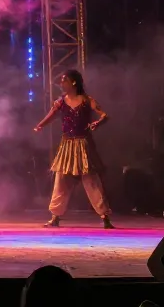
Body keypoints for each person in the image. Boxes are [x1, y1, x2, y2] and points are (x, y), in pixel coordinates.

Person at [33, 69, 114, 229]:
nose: (61, 83)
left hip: (83, 145)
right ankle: (55, 216)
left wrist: (98, 123)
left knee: (91, 181)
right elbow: (51, 115)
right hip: (67, 145)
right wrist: (40, 125)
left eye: (65, 80)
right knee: (62, 180)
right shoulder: (61, 102)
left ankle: (104, 215)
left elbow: (104, 115)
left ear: (74, 82)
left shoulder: (87, 100)